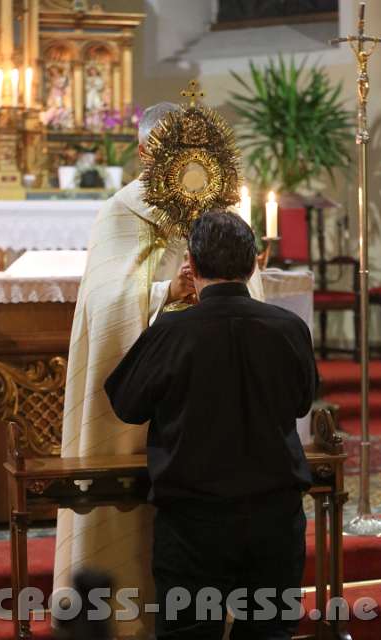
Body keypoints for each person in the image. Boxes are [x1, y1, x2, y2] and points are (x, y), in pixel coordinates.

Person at [54, 104, 265, 640]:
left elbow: (251, 291)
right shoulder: (125, 211)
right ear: (149, 152)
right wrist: (163, 292)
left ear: (140, 148)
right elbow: (102, 304)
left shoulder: (224, 204)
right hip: (154, 390)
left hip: (209, 397)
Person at [105, 210, 317, 639]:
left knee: (189, 632)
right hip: (275, 516)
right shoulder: (289, 328)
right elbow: (300, 402)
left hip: (193, 522)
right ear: (254, 262)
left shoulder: (172, 331)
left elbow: (127, 403)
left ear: (192, 266)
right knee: (268, 631)